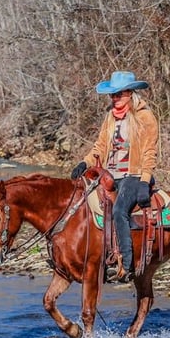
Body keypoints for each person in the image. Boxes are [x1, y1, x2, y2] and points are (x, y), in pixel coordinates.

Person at [71, 70, 160, 283]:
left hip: (134, 174)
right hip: (110, 173)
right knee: (86, 204)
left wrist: (144, 180)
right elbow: (100, 146)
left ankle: (127, 265)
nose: (115, 99)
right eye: (112, 95)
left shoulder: (144, 117)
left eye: (118, 94)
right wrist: (86, 162)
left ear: (130, 93)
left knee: (120, 210)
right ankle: (98, 255)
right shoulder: (110, 117)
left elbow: (150, 151)